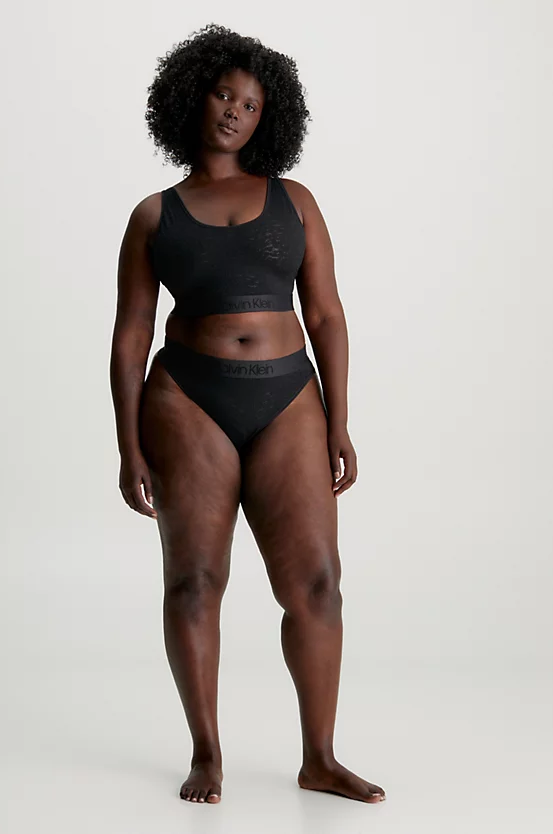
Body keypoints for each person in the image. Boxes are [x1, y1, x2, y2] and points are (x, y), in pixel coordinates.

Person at [110, 23, 386, 806]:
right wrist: (127, 445)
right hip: (185, 400)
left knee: (318, 583)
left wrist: (338, 420)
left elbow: (325, 314)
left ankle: (319, 758)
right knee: (194, 581)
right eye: (222, 94)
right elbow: (130, 336)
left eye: (251, 103)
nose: (234, 110)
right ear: (190, 99)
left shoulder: (295, 200)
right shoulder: (153, 215)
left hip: (289, 398)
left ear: (270, 117)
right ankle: (206, 753)